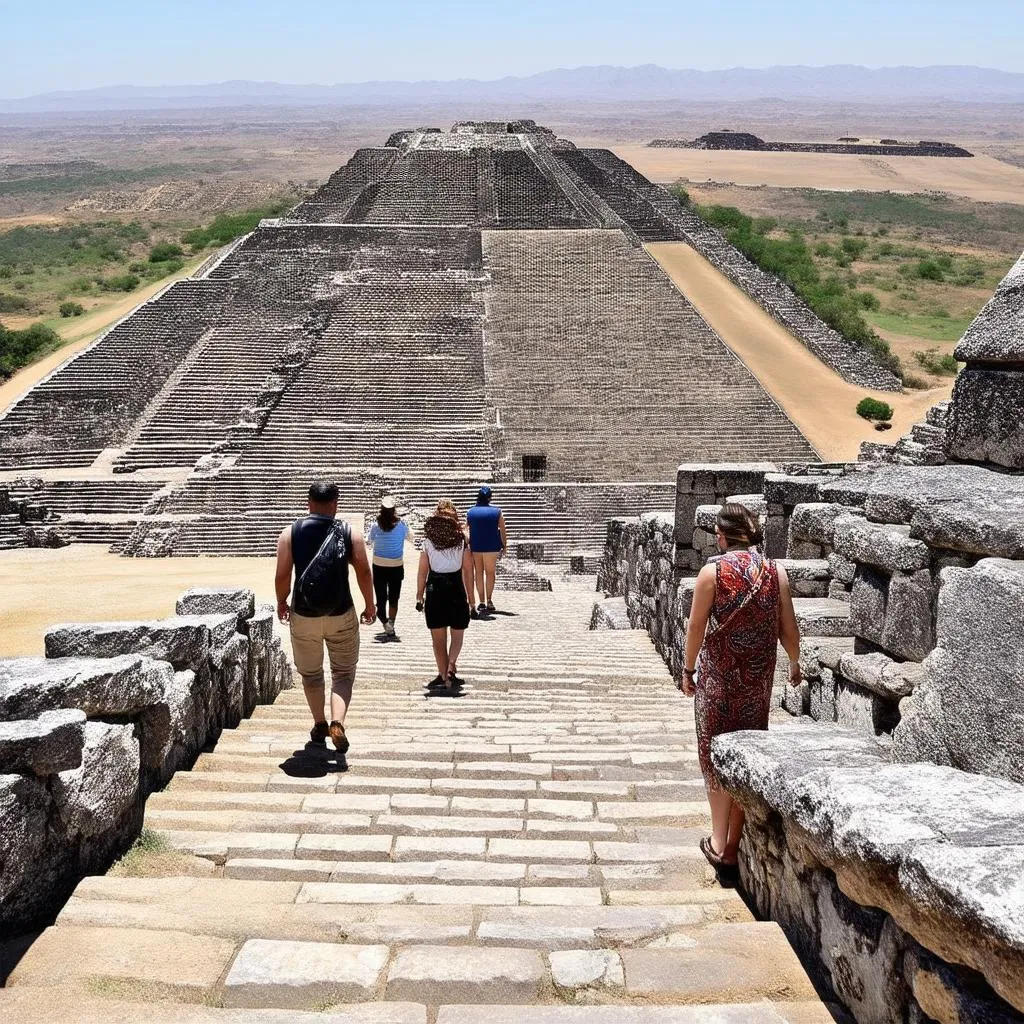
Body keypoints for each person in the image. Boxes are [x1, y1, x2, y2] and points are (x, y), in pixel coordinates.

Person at [680, 502, 801, 883]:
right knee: (745, 750)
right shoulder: (774, 571)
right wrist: (796, 664)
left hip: (718, 682)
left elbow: (696, 627)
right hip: (756, 683)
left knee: (713, 753)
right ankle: (733, 843)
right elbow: (787, 627)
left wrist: (688, 669)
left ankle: (719, 842)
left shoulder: (711, 573)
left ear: (721, 536)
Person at [275, 481, 376, 754]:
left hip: (304, 614)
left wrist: (281, 601)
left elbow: (282, 575)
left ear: (308, 502)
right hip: (340, 611)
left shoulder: (290, 533)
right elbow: (364, 572)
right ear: (335, 504)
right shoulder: (348, 532)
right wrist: (370, 605)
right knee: (343, 672)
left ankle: (319, 723)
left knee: (311, 673)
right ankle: (337, 722)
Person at [416, 499, 473, 689]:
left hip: (435, 588)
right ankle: (450, 667)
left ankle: (442, 674)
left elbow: (422, 571)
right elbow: (467, 570)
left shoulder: (428, 541)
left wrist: (419, 595)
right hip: (456, 586)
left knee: (438, 638)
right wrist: (471, 599)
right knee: (458, 633)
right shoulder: (462, 540)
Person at [366, 496, 413, 638]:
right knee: (394, 597)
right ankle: (391, 624)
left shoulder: (375, 525)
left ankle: (385, 622)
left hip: (379, 565)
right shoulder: (402, 524)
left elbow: (369, 542)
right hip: (396, 565)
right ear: (394, 510)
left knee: (381, 598)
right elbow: (411, 537)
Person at [466, 485, 506, 614]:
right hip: (491, 546)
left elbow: (465, 529)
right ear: (490, 497)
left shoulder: (470, 511)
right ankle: (489, 600)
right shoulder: (497, 511)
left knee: (478, 572)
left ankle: (481, 601)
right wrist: (505, 545)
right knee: (490, 573)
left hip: (476, 546)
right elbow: (503, 531)